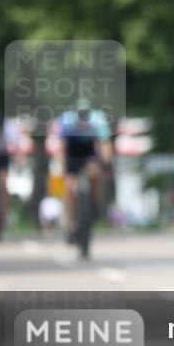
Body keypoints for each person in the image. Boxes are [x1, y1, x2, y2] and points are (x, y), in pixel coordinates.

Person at [56, 99, 113, 254]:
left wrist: (106, 163)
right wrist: (62, 168)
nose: (83, 117)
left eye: (86, 114)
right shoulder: (66, 122)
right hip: (72, 153)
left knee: (94, 173)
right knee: (69, 188)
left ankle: (93, 203)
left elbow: (105, 144)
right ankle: (71, 225)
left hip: (89, 153)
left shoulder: (97, 120)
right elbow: (61, 148)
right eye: (80, 114)